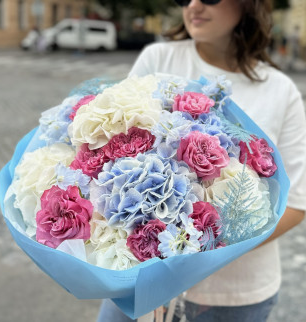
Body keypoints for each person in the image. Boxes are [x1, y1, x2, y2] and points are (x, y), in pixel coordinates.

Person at [97, 0, 306, 321]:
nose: (194, 4)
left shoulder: (280, 90)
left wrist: (208, 251)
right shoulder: (159, 59)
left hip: (235, 296)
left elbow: (296, 202)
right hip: (141, 285)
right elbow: (111, 150)